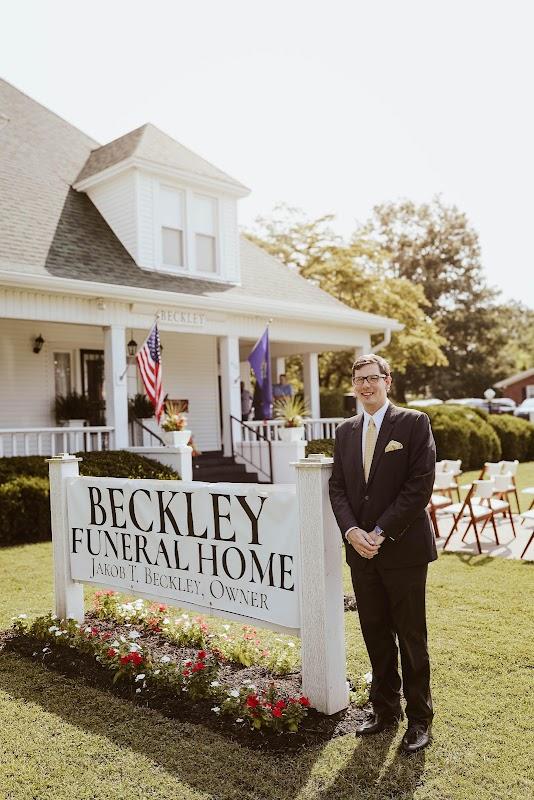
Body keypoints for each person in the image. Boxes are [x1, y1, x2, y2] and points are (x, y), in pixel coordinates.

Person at [329, 353, 437, 754]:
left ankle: (420, 719)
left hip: (403, 550)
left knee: (411, 637)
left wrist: (380, 531)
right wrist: (353, 531)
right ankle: (384, 708)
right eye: (359, 380)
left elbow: (419, 486)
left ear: (387, 381)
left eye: (372, 378)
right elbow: (337, 489)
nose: (365, 386)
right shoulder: (344, 431)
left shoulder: (413, 423)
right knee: (374, 632)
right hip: (361, 551)